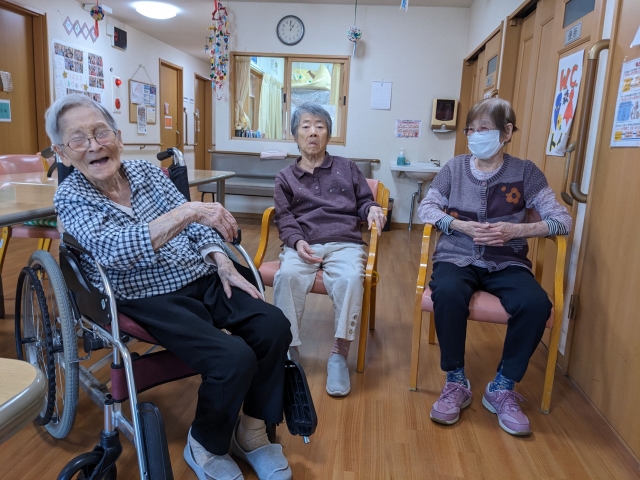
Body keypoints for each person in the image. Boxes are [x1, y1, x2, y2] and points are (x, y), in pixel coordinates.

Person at [48, 94, 292, 480]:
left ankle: (251, 432)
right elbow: (115, 250)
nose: (94, 145)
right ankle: (206, 445)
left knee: (274, 326)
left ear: (118, 137)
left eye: (101, 132)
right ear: (62, 153)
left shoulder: (145, 173)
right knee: (232, 358)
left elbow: (196, 225)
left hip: (199, 273)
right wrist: (189, 211)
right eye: (78, 138)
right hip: (143, 294)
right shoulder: (71, 196)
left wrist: (220, 257)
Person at [417, 97, 572, 436]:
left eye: (483, 128)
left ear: (507, 132)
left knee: (536, 304)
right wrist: (458, 225)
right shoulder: (454, 168)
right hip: (457, 255)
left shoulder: (526, 172)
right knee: (448, 291)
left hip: (507, 260)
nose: (475, 135)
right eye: (470, 130)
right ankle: (455, 381)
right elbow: (426, 209)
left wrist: (518, 230)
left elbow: (562, 220)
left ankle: (502, 386)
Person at [273, 103, 386, 397]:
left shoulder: (347, 168)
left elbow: (364, 201)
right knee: (287, 277)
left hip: (344, 241)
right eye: (306, 126)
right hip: (304, 243)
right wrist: (297, 241)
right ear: (295, 135)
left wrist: (372, 209)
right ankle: (290, 350)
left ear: (328, 135)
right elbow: (284, 217)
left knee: (350, 279)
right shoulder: (285, 177)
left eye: (320, 126)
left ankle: (339, 354)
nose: (313, 132)